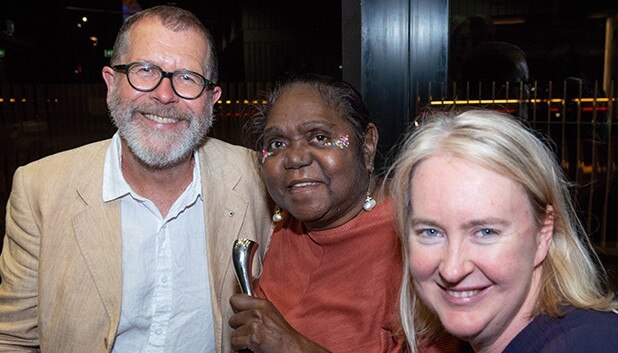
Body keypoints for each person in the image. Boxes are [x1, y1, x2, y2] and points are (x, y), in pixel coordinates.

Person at [0, 5, 272, 353]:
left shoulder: (259, 179)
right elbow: (14, 340)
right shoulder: (40, 189)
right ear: (111, 83)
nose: (164, 94)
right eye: (145, 70)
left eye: (188, 77)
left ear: (211, 99)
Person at [228, 74, 464, 353]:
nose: (295, 158)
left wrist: (292, 346)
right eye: (277, 143)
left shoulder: (416, 244)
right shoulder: (281, 225)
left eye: (319, 137)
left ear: (367, 144)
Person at [388, 109, 618, 353]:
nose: (452, 269)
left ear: (543, 233)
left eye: (486, 232)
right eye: (431, 232)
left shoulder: (590, 344)